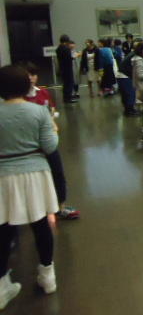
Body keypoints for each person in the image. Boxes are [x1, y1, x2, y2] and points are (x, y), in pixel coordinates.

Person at [0, 66, 60, 309]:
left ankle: (2, 287)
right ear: (26, 86)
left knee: (4, 230)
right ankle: (47, 277)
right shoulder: (37, 111)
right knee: (41, 225)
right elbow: (50, 146)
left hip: (3, 176)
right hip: (35, 173)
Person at [21, 62, 80, 220]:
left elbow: (51, 111)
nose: (31, 78)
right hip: (28, 146)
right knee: (34, 178)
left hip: (47, 141)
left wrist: (52, 123)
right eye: (27, 75)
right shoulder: (17, 98)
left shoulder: (42, 93)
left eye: (33, 74)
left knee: (57, 173)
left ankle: (61, 206)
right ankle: (35, 211)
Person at [116, 49, 138, 116]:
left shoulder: (132, 54)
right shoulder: (135, 56)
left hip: (122, 75)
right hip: (125, 76)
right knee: (130, 94)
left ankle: (129, 110)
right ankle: (129, 111)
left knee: (126, 94)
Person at [56, 34, 76, 103]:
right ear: (66, 41)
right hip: (68, 68)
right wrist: (74, 56)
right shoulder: (66, 49)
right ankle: (68, 98)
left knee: (65, 83)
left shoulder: (58, 48)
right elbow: (69, 58)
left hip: (62, 68)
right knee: (69, 83)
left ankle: (65, 98)